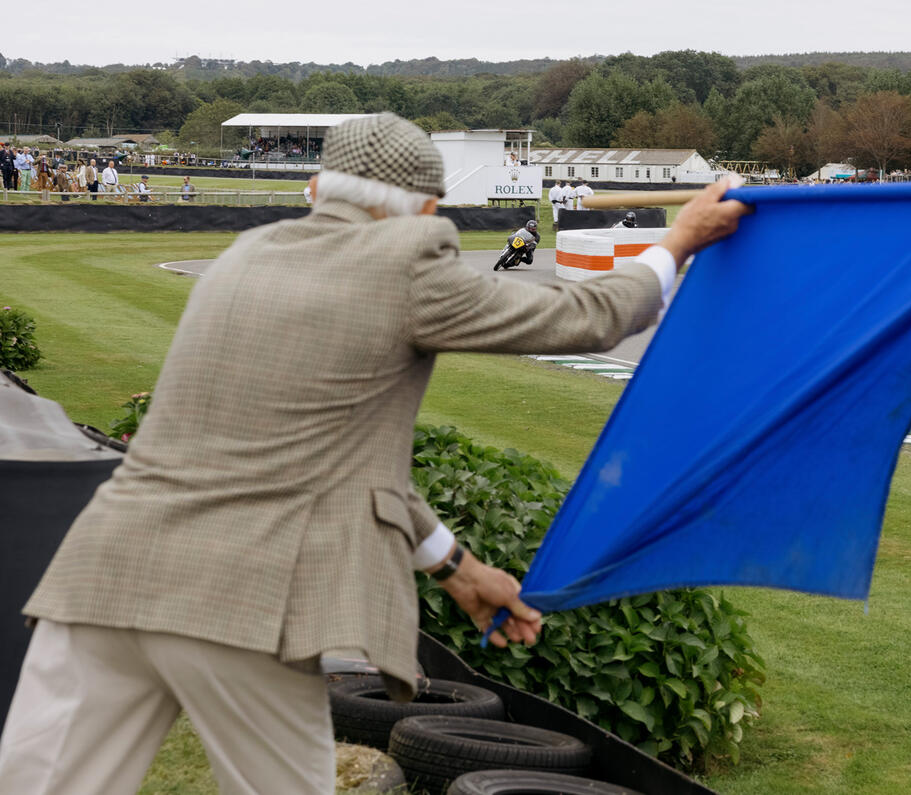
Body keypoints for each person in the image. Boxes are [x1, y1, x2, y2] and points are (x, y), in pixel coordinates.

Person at [0, 113, 748, 794]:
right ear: (427, 208)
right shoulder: (405, 262)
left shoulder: (243, 256)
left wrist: (461, 570)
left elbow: (338, 456)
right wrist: (678, 239)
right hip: (241, 599)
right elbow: (591, 316)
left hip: (103, 574)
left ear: (318, 187)